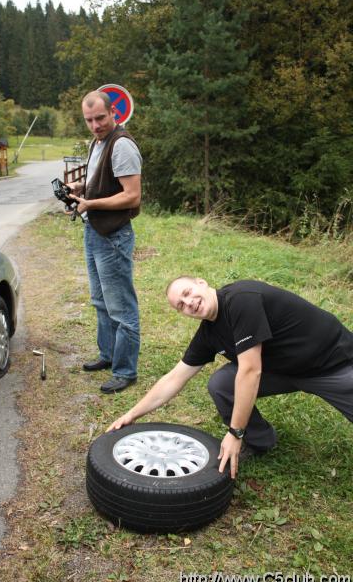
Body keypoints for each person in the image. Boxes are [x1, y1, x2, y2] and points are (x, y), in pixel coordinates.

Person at [108, 277, 353, 478]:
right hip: (282, 370)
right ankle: (260, 441)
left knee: (242, 375)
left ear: (201, 283)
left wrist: (235, 432)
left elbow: (250, 370)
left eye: (188, 292)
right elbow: (174, 378)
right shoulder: (209, 333)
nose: (189, 303)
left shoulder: (241, 300)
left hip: (330, 364)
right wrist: (132, 414)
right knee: (222, 385)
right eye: (180, 305)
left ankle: (244, 436)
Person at [65, 90, 142, 394]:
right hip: (94, 232)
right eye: (89, 120)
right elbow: (102, 179)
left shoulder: (121, 145)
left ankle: (125, 371)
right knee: (100, 300)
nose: (95, 125)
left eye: (100, 118)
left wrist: (91, 204)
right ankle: (108, 355)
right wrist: (79, 186)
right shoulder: (99, 143)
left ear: (114, 114)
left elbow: (131, 195)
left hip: (113, 236)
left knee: (121, 306)